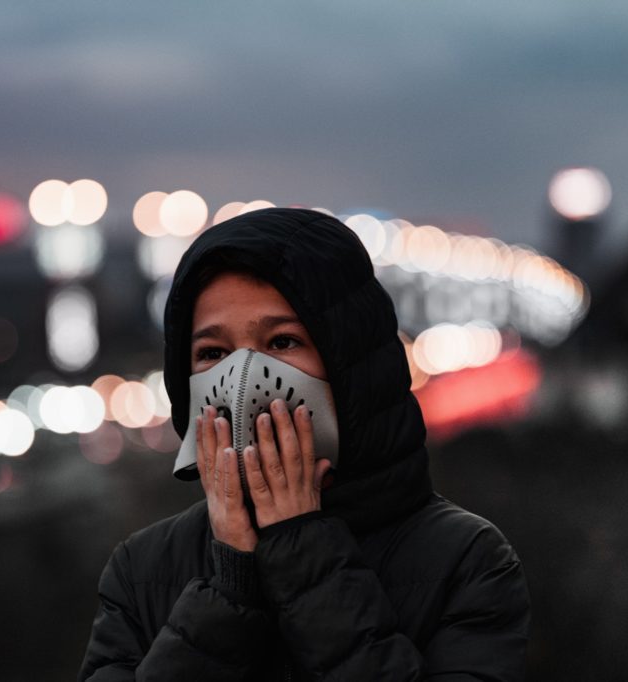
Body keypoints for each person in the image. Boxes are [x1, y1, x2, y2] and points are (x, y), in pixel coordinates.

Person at [78, 208, 530, 680]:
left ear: (349, 359)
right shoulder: (143, 566)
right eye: (212, 353)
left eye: (282, 342)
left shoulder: (465, 560)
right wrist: (228, 589)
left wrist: (304, 556)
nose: (244, 378)